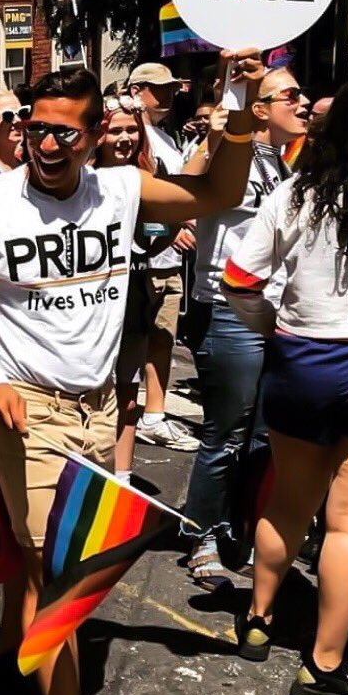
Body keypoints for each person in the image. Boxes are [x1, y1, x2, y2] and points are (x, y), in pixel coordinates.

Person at [0, 54, 264, 695]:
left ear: (94, 137)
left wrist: (243, 100)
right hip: (27, 414)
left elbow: (218, 191)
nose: (46, 145)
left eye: (64, 133)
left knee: (38, 562)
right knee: (65, 584)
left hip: (95, 408)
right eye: (35, 129)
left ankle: (8, 671)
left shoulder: (118, 191)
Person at [225, 73, 348, 695]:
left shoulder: (297, 193)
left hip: (303, 359)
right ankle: (324, 663)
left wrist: (271, 331)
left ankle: (257, 619)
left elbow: (239, 277)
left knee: (288, 501)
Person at [175, 66, 309, 589]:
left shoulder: (289, 164)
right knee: (226, 433)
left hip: (280, 312)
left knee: (262, 437)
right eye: (291, 96)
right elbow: (186, 185)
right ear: (259, 108)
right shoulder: (228, 153)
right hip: (228, 308)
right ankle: (201, 536)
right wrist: (228, 107)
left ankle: (243, 530)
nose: (303, 104)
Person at [128, 63, 198, 452]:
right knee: (134, 342)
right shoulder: (132, 136)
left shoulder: (166, 138)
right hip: (141, 258)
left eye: (171, 88)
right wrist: (170, 227)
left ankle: (154, 414)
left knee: (163, 337)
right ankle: (126, 416)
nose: (168, 96)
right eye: (159, 89)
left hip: (167, 258)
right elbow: (139, 197)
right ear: (136, 90)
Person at [93, 92, 160, 488]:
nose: (124, 138)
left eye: (132, 129)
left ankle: (121, 479)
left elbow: (165, 231)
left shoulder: (147, 177)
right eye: (115, 129)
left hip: (133, 295)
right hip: (91, 300)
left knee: (128, 392)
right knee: (92, 392)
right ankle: (88, 470)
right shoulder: (84, 179)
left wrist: (166, 237)